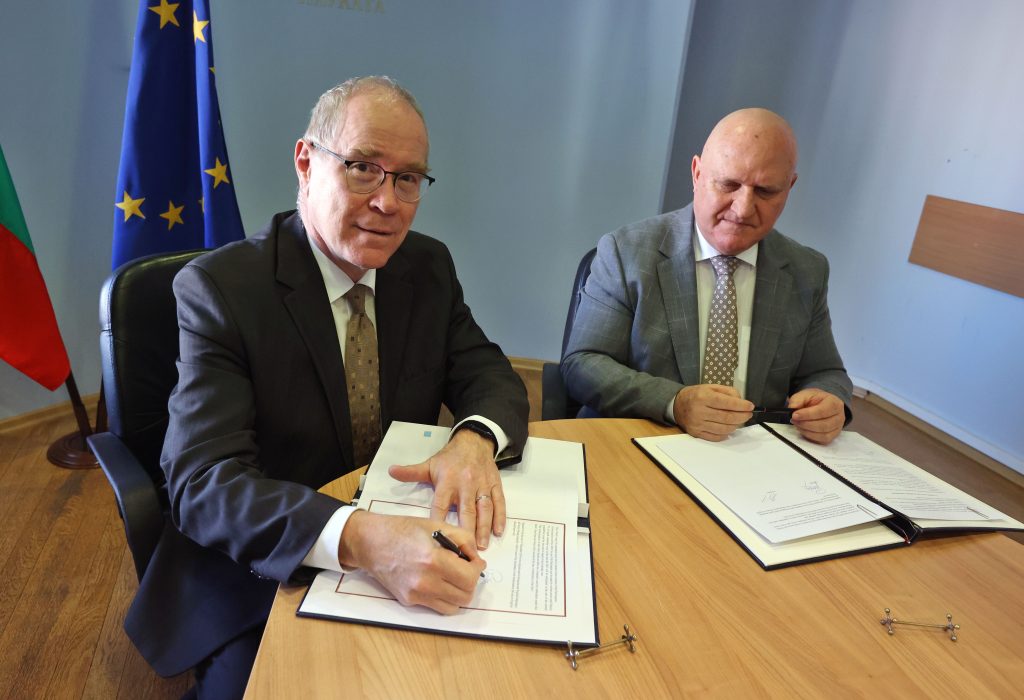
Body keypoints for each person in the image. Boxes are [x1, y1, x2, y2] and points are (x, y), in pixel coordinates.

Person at [123, 76, 529, 698]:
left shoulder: (426, 266)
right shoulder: (221, 290)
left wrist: (473, 439)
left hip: (406, 535)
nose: (388, 202)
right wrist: (362, 538)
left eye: (408, 178)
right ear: (306, 163)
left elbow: (489, 373)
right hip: (263, 566)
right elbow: (204, 483)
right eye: (364, 168)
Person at [561, 108, 851, 446]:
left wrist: (830, 401)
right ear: (697, 173)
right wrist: (675, 402)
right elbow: (584, 364)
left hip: (750, 455)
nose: (743, 208)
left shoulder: (807, 270)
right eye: (728, 184)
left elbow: (826, 372)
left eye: (765, 191)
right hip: (640, 440)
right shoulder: (627, 252)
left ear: (789, 187)